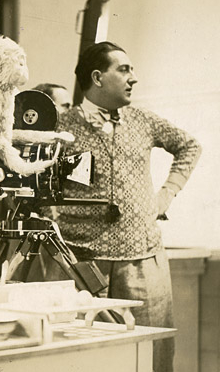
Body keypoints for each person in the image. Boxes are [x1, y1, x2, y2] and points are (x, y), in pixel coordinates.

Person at [52, 42, 201, 372]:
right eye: (124, 69)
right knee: (85, 357)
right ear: (97, 77)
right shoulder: (61, 127)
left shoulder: (142, 120)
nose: (134, 78)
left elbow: (189, 146)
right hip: (83, 265)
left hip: (143, 261)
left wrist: (167, 194)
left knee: (151, 355)